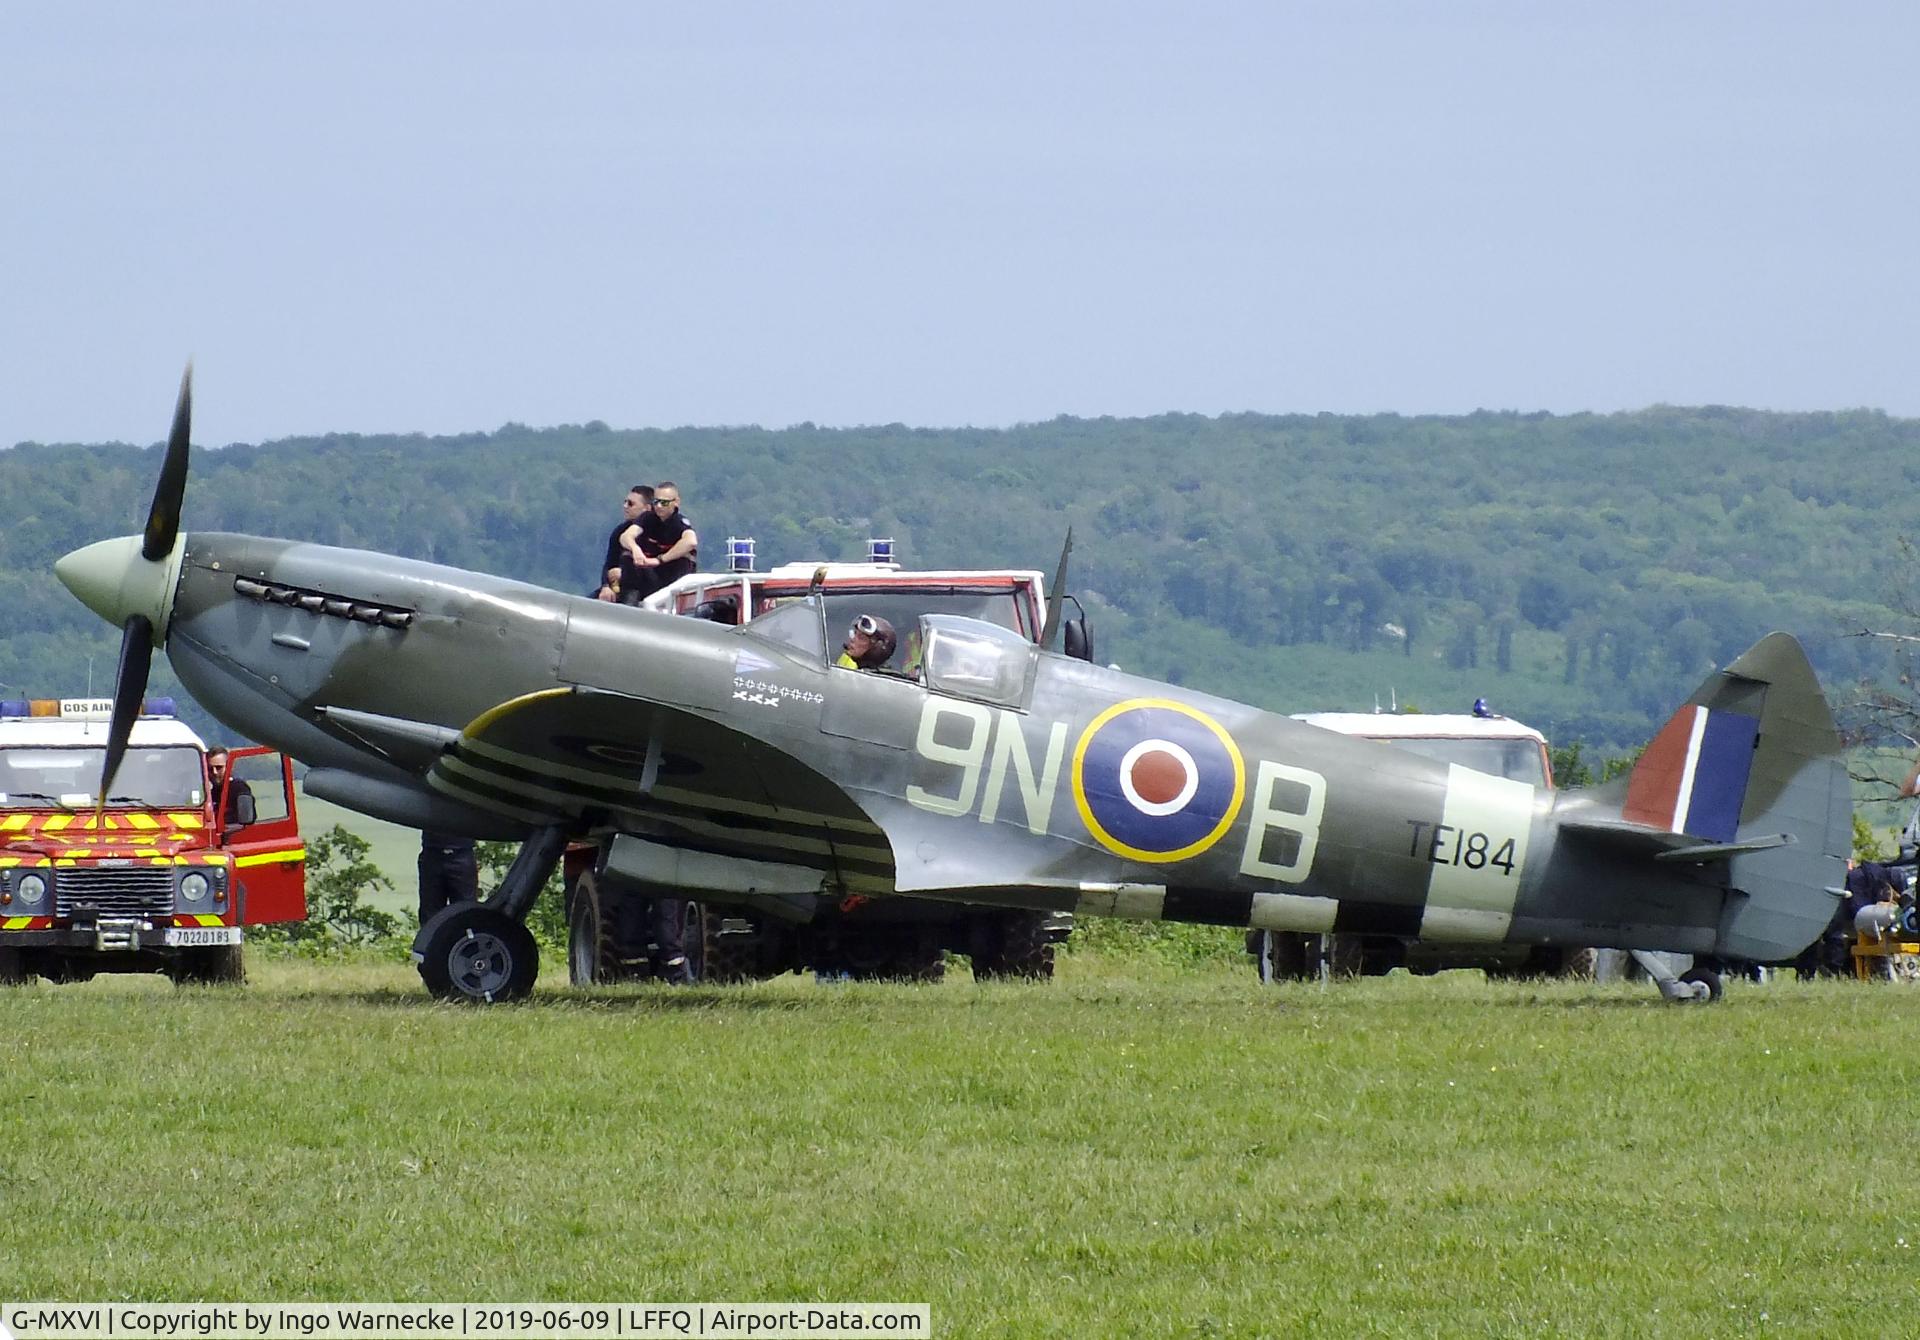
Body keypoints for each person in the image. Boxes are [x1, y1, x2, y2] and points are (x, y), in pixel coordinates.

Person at [622, 480, 697, 604]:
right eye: (656, 502)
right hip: (652, 575)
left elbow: (691, 541)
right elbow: (626, 536)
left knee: (685, 556)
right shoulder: (648, 518)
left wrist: (660, 559)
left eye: (664, 503)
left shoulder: (679, 522)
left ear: (676, 502)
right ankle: (628, 601)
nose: (659, 506)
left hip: (673, 578)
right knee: (627, 556)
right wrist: (635, 549)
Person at [596, 485, 653, 601]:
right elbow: (609, 563)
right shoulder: (619, 531)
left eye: (631, 504)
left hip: (641, 591)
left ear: (647, 508)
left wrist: (625, 575)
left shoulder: (656, 534)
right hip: (617, 588)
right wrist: (605, 586)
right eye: (625, 502)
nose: (625, 506)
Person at [418, 830, 479, 924]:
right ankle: (434, 938)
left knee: (466, 911)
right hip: (432, 853)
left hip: (462, 853)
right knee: (429, 915)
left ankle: (466, 937)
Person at [206, 747, 254, 829]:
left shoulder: (238, 788)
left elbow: (246, 818)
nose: (214, 772)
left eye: (219, 768)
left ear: (229, 767)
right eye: (210, 769)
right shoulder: (208, 793)